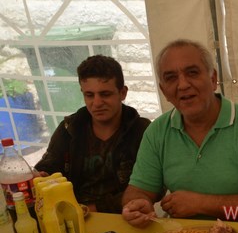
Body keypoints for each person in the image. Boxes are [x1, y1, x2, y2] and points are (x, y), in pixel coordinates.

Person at [121, 39, 238, 228]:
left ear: (213, 79)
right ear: (163, 90)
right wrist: (137, 205)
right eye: (171, 77)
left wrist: (200, 204)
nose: (182, 85)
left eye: (192, 73)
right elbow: (137, 192)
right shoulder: (157, 132)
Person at [35, 55, 151, 213]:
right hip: (74, 216)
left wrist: (94, 208)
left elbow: (149, 187)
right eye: (89, 95)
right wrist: (41, 177)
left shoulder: (143, 131)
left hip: (126, 215)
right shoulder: (69, 128)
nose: (96, 103)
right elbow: (48, 168)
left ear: (122, 93)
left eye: (105, 94)